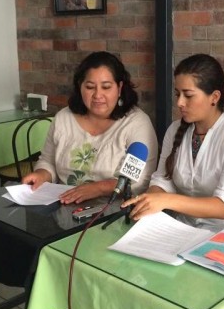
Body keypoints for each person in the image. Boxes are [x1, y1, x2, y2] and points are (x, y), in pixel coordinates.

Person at [123, 53, 224, 234]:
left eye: (188, 95)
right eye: (177, 94)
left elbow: (223, 207)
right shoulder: (175, 130)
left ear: (214, 97)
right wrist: (150, 199)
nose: (180, 102)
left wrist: (166, 200)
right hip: (185, 230)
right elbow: (162, 180)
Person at [22, 51, 158, 204]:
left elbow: (140, 180)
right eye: (90, 87)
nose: (98, 95)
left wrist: (97, 188)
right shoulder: (63, 118)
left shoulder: (136, 123)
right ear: (80, 87)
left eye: (106, 87)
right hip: (64, 208)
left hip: (114, 213)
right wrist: (41, 174)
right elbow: (48, 161)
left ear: (119, 88)